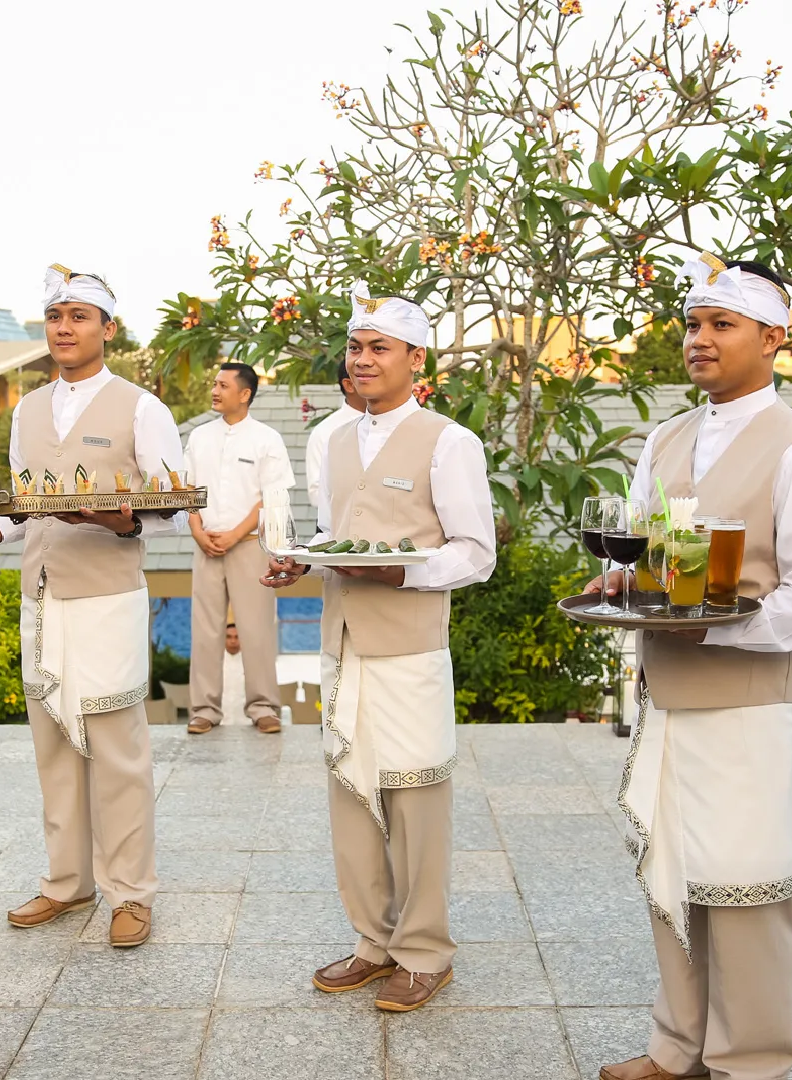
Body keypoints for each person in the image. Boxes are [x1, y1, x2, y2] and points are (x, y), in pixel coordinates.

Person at [593, 253, 792, 1080]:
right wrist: (619, 580)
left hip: (751, 710)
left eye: (721, 325)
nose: (699, 340)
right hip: (669, 701)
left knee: (746, 893)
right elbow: (644, 555)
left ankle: (751, 1063)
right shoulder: (665, 438)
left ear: (774, 338)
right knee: (673, 878)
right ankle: (677, 1049)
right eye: (693, 324)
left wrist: (716, 635)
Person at [265, 282, 495, 1012]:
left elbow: (475, 554)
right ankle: (373, 942)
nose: (362, 360)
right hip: (341, 640)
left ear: (415, 359)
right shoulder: (327, 438)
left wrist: (398, 570)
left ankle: (426, 952)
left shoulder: (450, 442)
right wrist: (303, 559)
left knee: (416, 793)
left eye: (379, 348)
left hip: (410, 645)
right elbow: (338, 534)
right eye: (356, 348)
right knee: (350, 788)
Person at [0, 265, 184, 947]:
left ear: (108, 329)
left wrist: (116, 521)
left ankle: (131, 893)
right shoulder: (27, 410)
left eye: (80, 317)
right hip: (42, 597)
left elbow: (173, 513)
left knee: (117, 749)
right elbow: (28, 505)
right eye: (56, 317)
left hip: (107, 598)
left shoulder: (142, 409)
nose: (65, 328)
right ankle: (66, 882)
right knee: (52, 743)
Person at [185, 361, 295, 735]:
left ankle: (264, 707)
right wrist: (198, 531)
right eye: (214, 384)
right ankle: (203, 709)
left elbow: (273, 497)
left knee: (257, 628)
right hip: (206, 545)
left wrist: (234, 534)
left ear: (245, 394)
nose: (215, 391)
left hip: (249, 545)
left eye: (223, 386)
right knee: (205, 630)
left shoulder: (267, 439)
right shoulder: (199, 437)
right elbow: (188, 492)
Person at [305, 361, 368, 535]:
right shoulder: (325, 432)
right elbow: (316, 493)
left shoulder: (398, 426)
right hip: (336, 533)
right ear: (348, 384)